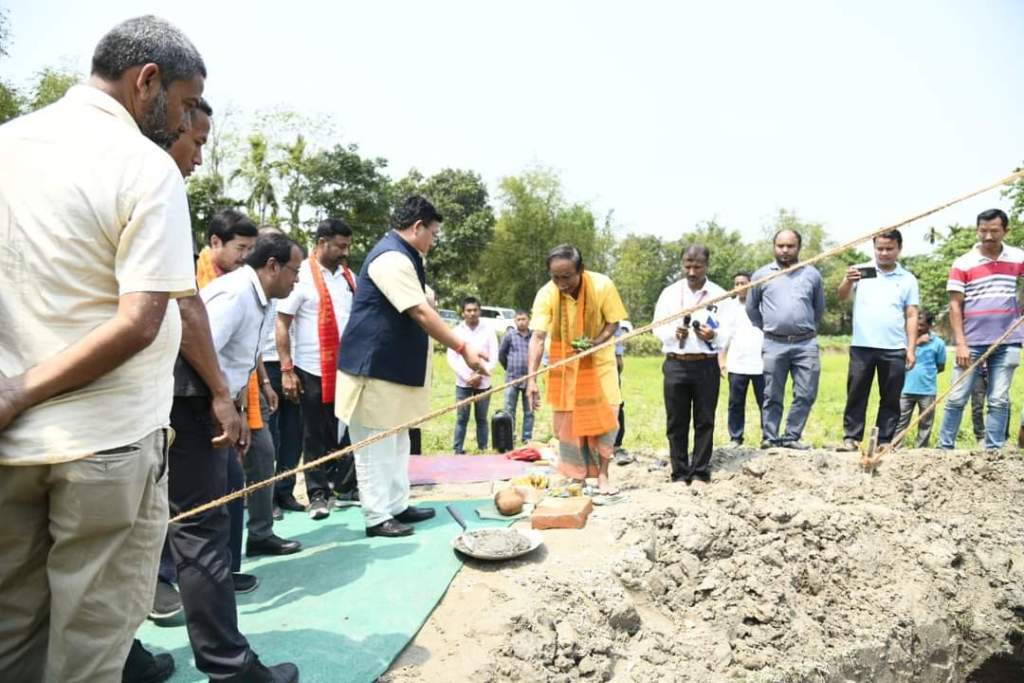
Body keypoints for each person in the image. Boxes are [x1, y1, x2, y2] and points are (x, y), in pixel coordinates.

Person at [0, 15, 204, 682]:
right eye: (179, 105)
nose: (180, 125)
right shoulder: (143, 165)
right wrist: (22, 388)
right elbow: (140, 320)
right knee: (89, 650)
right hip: (104, 447)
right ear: (147, 79)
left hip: (12, 447)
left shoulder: (9, 144)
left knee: (13, 633)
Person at [169, 232, 302, 682]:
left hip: (209, 408)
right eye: (294, 270)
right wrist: (220, 407)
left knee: (223, 503)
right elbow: (188, 347)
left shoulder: (257, 297)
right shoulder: (232, 295)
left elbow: (232, 361)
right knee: (199, 529)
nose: (297, 279)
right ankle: (232, 669)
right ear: (271, 266)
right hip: (190, 410)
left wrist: (238, 412)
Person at [335, 196, 488, 537]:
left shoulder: (407, 257)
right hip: (372, 369)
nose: (434, 240)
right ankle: (377, 516)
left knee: (398, 439)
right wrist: (463, 347)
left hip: (394, 371)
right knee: (375, 443)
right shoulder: (391, 258)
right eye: (433, 233)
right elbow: (420, 311)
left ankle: (397, 504)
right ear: (417, 227)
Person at [527, 245, 628, 495]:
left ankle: (603, 475)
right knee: (568, 426)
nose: (561, 284)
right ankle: (576, 478)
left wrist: (596, 342)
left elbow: (613, 322)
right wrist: (531, 380)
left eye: (567, 277)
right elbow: (538, 337)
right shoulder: (546, 294)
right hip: (565, 368)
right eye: (555, 277)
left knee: (606, 420)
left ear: (580, 270)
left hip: (600, 362)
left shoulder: (602, 285)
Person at [277, 218, 359, 520]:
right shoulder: (304, 278)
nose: (344, 251)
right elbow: (282, 322)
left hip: (347, 369)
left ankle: (345, 487)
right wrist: (287, 369)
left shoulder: (350, 278)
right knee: (314, 435)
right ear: (322, 243)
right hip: (312, 368)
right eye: (340, 245)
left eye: (347, 246)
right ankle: (317, 494)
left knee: (348, 430)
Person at [938, 209, 1024, 450]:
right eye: (983, 230)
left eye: (994, 231)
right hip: (972, 342)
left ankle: (993, 450)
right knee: (956, 397)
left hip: (1008, 340)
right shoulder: (963, 262)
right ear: (977, 231)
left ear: (1006, 231)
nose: (988, 236)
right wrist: (961, 343)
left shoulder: (1017, 257)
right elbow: (955, 305)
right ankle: (944, 448)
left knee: (998, 399)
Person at [653, 245, 730, 487]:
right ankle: (679, 472)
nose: (692, 271)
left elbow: (728, 332)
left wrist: (713, 336)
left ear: (707, 265)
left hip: (706, 365)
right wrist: (673, 333)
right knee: (676, 421)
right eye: (687, 265)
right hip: (676, 363)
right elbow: (656, 327)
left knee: (704, 420)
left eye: (697, 266)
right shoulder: (669, 293)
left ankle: (700, 472)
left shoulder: (719, 294)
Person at [836, 230, 920, 451]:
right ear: (873, 248)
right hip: (862, 345)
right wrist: (846, 281)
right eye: (879, 248)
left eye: (889, 249)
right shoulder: (861, 271)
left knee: (891, 397)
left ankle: (884, 440)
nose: (883, 253)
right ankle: (851, 437)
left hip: (894, 347)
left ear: (899, 249)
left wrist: (910, 348)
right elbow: (842, 296)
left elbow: (912, 315)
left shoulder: (907, 278)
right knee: (856, 393)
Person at [746, 229, 825, 449]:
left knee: (806, 392)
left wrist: (804, 328)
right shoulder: (762, 275)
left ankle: (791, 436)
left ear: (799, 247)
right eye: (780, 245)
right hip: (774, 343)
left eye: (790, 246)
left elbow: (819, 309)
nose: (785, 250)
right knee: (772, 393)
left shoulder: (812, 274)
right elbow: (752, 308)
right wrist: (769, 328)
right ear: (774, 247)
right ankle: (770, 437)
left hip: (805, 343)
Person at [717, 272, 765, 447]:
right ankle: (736, 437)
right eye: (736, 284)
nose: (740, 287)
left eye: (743, 283)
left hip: (761, 364)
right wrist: (721, 362)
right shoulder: (728, 307)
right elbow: (723, 338)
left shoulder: (763, 305)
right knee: (736, 403)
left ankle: (768, 436)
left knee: (765, 402)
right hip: (737, 363)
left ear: (752, 285)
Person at [448, 297, 499, 453]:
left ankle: (482, 449)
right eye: (468, 310)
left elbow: (493, 356)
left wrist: (480, 375)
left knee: (482, 419)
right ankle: (458, 450)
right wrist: (467, 377)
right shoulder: (456, 332)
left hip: (483, 383)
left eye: (475, 310)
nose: (472, 313)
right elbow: (451, 358)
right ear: (463, 313)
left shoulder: (489, 331)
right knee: (462, 418)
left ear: (480, 311)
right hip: (463, 384)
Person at [896, 310, 946, 448]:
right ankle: (896, 447)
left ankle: (921, 449)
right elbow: (898, 360)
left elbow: (940, 366)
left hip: (927, 390)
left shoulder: (939, 343)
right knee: (901, 421)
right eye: (916, 324)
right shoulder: (904, 340)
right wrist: (916, 343)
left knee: (925, 423)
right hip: (905, 389)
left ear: (929, 326)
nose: (918, 328)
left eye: (922, 325)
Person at [498, 310, 535, 444]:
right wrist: (509, 368)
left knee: (529, 410)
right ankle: (509, 435)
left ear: (529, 320)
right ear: (514, 321)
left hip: (530, 379)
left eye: (523, 319)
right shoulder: (510, 335)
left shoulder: (533, 336)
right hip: (512, 379)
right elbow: (501, 355)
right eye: (518, 319)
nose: (521, 322)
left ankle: (527, 437)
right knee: (509, 409)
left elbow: (538, 354)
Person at [612, 321, 633, 464]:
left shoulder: (606, 299)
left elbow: (615, 326)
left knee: (615, 402)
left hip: (608, 360)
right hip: (581, 357)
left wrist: (618, 354)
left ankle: (616, 446)